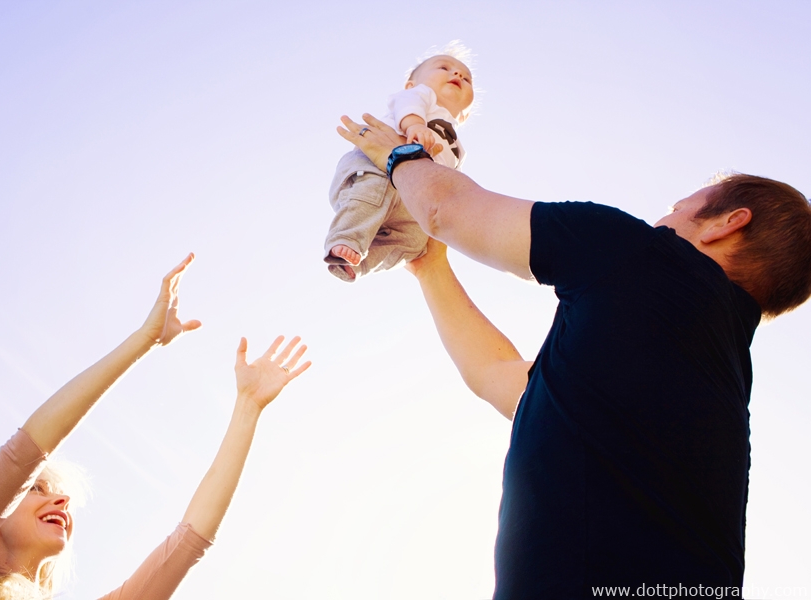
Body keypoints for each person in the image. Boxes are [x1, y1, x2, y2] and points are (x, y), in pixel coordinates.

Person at [337, 115, 811, 598]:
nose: (660, 222)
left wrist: (398, 155)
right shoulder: (715, 377)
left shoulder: (642, 254)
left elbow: (446, 209)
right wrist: (430, 265)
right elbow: (496, 375)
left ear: (729, 223)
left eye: (676, 209)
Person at [0, 254, 311, 600]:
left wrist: (247, 408)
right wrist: (144, 340)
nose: (62, 501)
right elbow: (22, 456)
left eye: (56, 493)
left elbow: (189, 541)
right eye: (36, 488)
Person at [323, 45, 474, 282]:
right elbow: (408, 106)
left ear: (465, 115)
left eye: (467, 78)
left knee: (416, 241)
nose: (457, 74)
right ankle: (347, 237)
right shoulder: (420, 96)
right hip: (376, 167)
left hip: (411, 194)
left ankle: (359, 264)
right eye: (444, 67)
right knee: (375, 193)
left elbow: (452, 180)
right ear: (411, 85)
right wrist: (415, 125)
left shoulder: (458, 148)